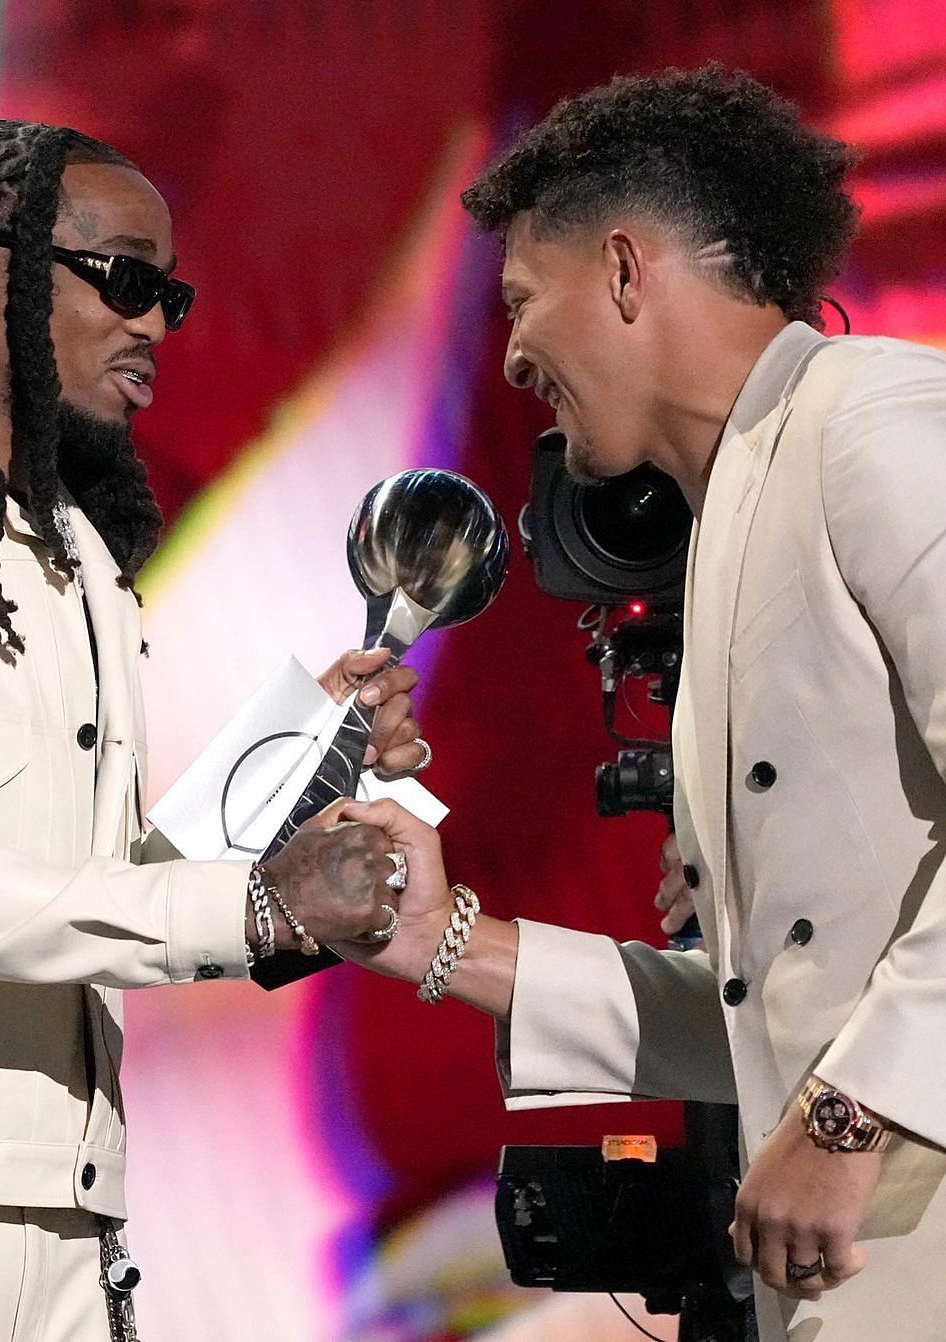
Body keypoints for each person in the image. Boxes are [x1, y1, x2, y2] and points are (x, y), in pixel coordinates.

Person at [329, 65, 946, 1341]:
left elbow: (835, 1056)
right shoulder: (737, 511)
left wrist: (847, 1121)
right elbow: (773, 1004)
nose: (505, 353)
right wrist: (446, 941)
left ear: (623, 270)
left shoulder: (878, 424)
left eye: (518, 300)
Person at [0, 119, 429, 1341]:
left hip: (76, 1219)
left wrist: (304, 755)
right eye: (125, 280)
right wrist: (252, 906)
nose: (158, 324)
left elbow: (110, 899)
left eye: (169, 293)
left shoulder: (82, 558)